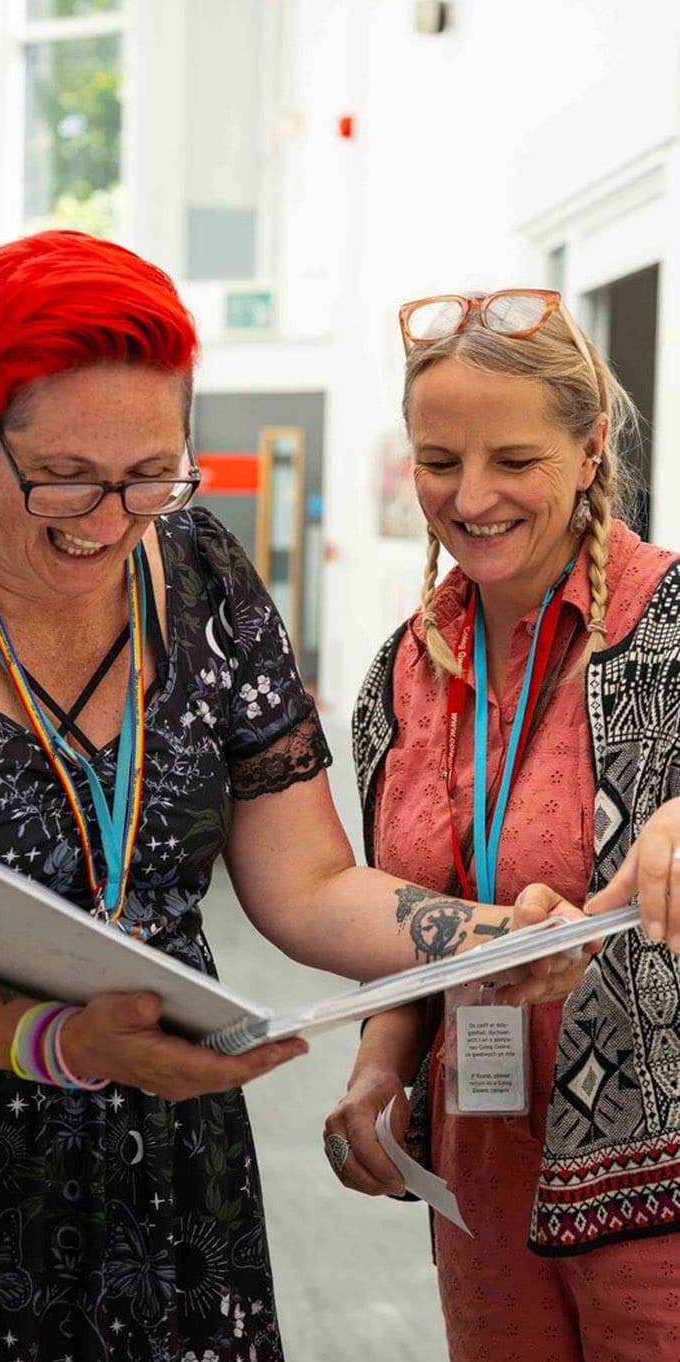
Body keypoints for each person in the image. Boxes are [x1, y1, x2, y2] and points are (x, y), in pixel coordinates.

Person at [0, 241, 581, 1362]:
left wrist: (483, 938)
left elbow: (308, 883)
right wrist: (57, 1044)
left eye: (153, 473)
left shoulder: (202, 571)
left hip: (166, 1155)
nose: (110, 520)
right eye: (66, 475)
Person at [323, 289, 680, 1362]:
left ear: (588, 450)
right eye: (439, 461)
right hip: (478, 1170)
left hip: (660, 1181)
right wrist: (380, 1065)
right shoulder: (402, 674)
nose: (470, 497)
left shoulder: (670, 629)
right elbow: (402, 907)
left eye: (513, 460)